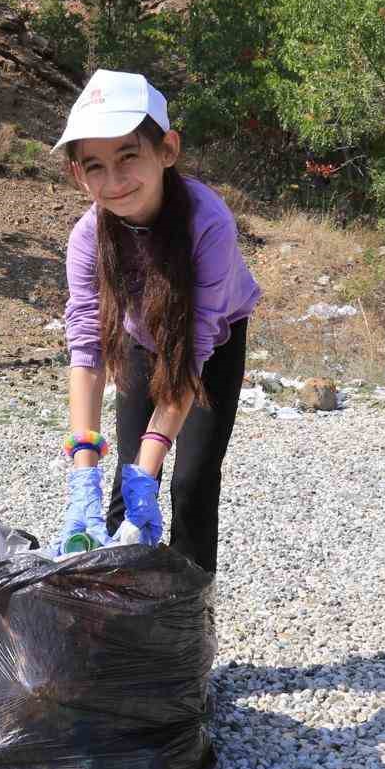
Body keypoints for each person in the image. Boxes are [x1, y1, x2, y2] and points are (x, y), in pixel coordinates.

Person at [55, 70, 260, 575]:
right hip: (138, 345)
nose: (114, 180)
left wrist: (153, 466)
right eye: (95, 165)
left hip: (209, 347)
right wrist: (84, 474)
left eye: (129, 155)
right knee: (127, 482)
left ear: (166, 149)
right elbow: (86, 349)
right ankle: (115, 615)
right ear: (79, 175)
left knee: (189, 480)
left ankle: (189, 621)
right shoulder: (87, 238)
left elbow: (193, 347)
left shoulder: (208, 224)